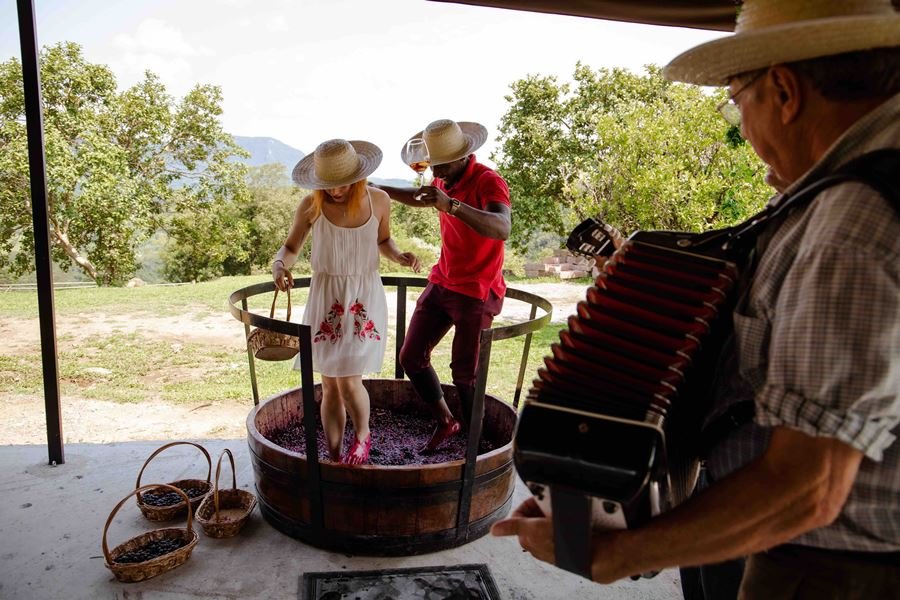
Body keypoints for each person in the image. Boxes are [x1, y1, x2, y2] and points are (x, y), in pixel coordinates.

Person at [491, 1, 900, 597]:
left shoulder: (852, 227)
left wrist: (613, 553)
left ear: (783, 91)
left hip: (826, 565)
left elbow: (808, 488)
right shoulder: (856, 182)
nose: (744, 128)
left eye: (738, 99)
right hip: (771, 533)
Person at [272, 139, 421, 465]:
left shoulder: (379, 200)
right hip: (326, 299)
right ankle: (336, 456)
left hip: (363, 299)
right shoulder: (311, 205)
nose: (335, 191)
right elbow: (291, 247)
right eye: (327, 185)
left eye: (341, 183)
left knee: (350, 378)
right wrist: (280, 264)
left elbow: (382, 240)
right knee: (329, 384)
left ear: (358, 175)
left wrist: (398, 255)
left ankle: (363, 435)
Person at [377, 119, 511, 451]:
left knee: (465, 375)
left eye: (443, 164)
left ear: (466, 155)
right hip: (443, 281)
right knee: (410, 357)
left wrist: (450, 205)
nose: (438, 170)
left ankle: (476, 444)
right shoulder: (443, 177)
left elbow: (501, 227)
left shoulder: (489, 181)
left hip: (478, 289)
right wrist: (379, 190)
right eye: (434, 163)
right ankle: (446, 422)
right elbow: (424, 197)